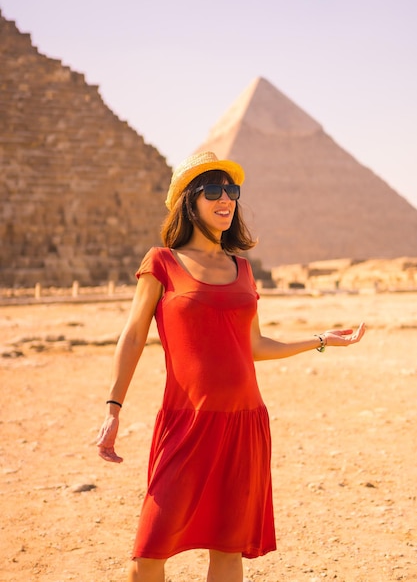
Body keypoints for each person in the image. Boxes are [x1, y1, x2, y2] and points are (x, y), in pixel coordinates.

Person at [97, 151, 365, 582]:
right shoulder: (161, 263)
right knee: (147, 555)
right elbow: (132, 338)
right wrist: (113, 409)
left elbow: (253, 345)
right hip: (187, 424)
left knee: (227, 552)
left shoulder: (242, 268)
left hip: (244, 423)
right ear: (190, 200)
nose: (226, 199)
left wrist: (319, 340)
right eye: (214, 191)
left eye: (232, 191)